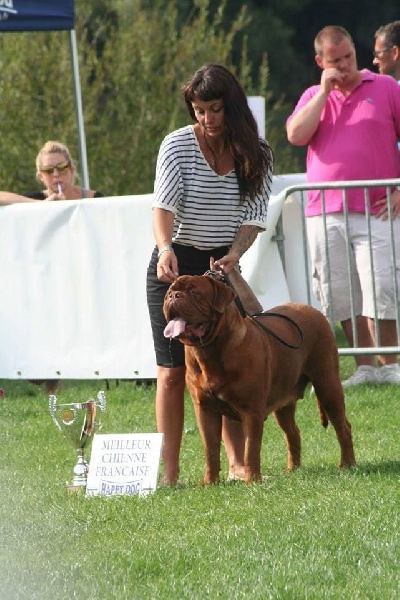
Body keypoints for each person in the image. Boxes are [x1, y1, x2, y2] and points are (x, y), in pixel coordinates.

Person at [146, 64, 273, 484]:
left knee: (231, 366)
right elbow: (163, 206)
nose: (206, 119)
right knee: (172, 372)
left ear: (231, 107)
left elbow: (254, 216)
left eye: (215, 109)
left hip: (222, 268)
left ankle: (237, 466)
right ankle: (169, 473)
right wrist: (165, 249)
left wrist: (234, 255)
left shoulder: (256, 151)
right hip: (176, 265)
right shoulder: (177, 145)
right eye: (199, 110)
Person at [286, 25, 400, 387]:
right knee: (339, 291)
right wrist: (323, 91)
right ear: (321, 62)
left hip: (378, 207)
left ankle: (391, 364)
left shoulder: (386, 88)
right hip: (324, 211)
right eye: (336, 60)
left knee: (381, 284)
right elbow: (296, 135)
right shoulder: (311, 95)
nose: (345, 65)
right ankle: (364, 366)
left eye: (349, 56)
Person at [1, 141, 103, 394]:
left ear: (72, 168)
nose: (56, 175)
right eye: (49, 171)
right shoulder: (37, 201)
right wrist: (43, 207)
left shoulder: (94, 199)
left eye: (61, 168)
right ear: (40, 176)